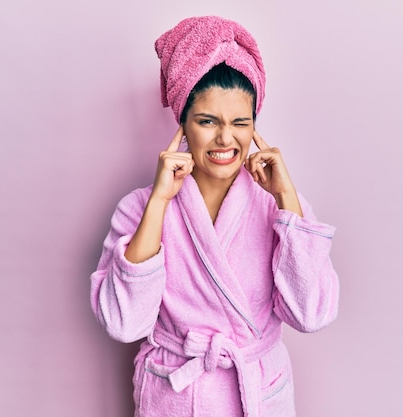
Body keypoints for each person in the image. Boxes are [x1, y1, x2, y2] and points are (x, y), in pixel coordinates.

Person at [90, 16, 340, 417]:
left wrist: (286, 196)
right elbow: (124, 323)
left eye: (241, 123)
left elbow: (310, 315)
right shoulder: (139, 208)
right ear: (182, 126)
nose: (226, 139)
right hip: (176, 397)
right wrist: (159, 202)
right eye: (208, 121)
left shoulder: (279, 207)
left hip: (256, 396)